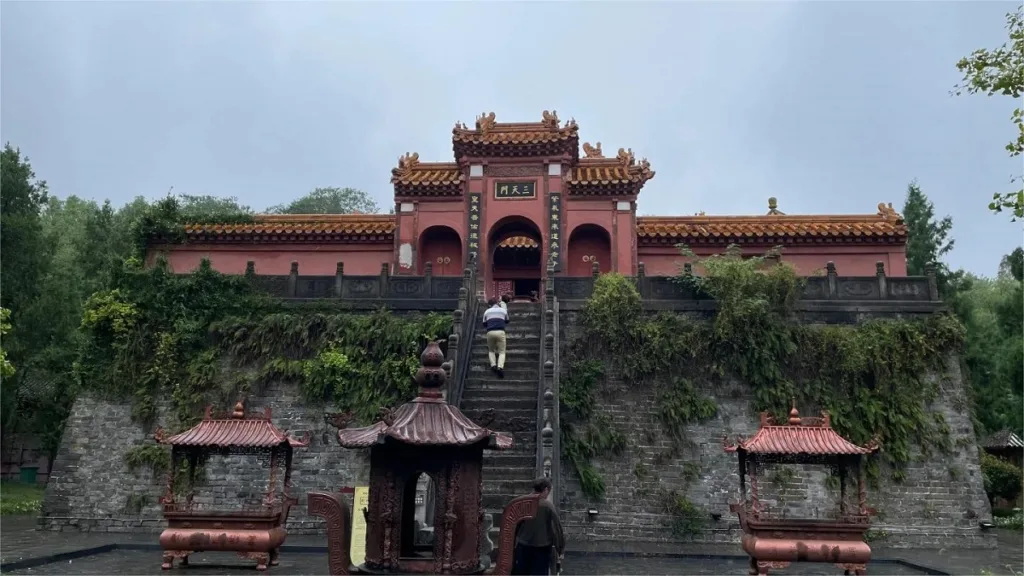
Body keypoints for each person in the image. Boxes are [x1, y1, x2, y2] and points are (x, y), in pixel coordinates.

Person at [512, 478, 565, 576]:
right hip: (542, 547)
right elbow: (556, 529)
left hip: (523, 545)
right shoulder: (548, 506)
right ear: (545, 489)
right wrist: (560, 549)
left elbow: (516, 524)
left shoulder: (523, 502)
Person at [482, 298, 509, 378]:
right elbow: (507, 320)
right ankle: (500, 367)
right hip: (500, 332)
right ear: (497, 303)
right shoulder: (503, 310)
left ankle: (493, 365)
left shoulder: (487, 311)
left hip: (490, 332)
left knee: (491, 350)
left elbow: (484, 323)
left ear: (489, 305)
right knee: (502, 352)